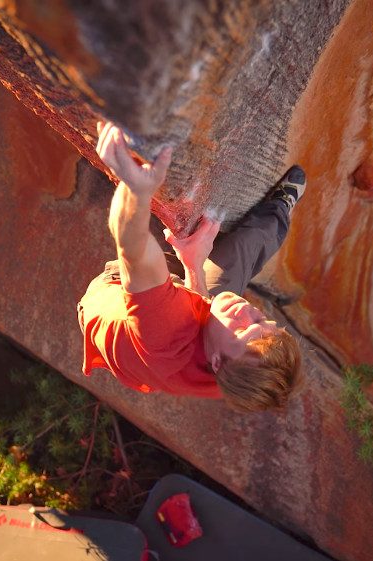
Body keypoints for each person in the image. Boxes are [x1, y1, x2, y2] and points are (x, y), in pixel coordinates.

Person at [77, 121, 305, 412]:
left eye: (242, 330)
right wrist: (194, 266)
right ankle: (280, 208)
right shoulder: (241, 377)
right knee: (242, 251)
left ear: (218, 362)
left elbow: (132, 245)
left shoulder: (166, 332)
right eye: (262, 321)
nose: (247, 312)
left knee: (227, 256)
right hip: (179, 341)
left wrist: (136, 187)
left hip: (115, 289)